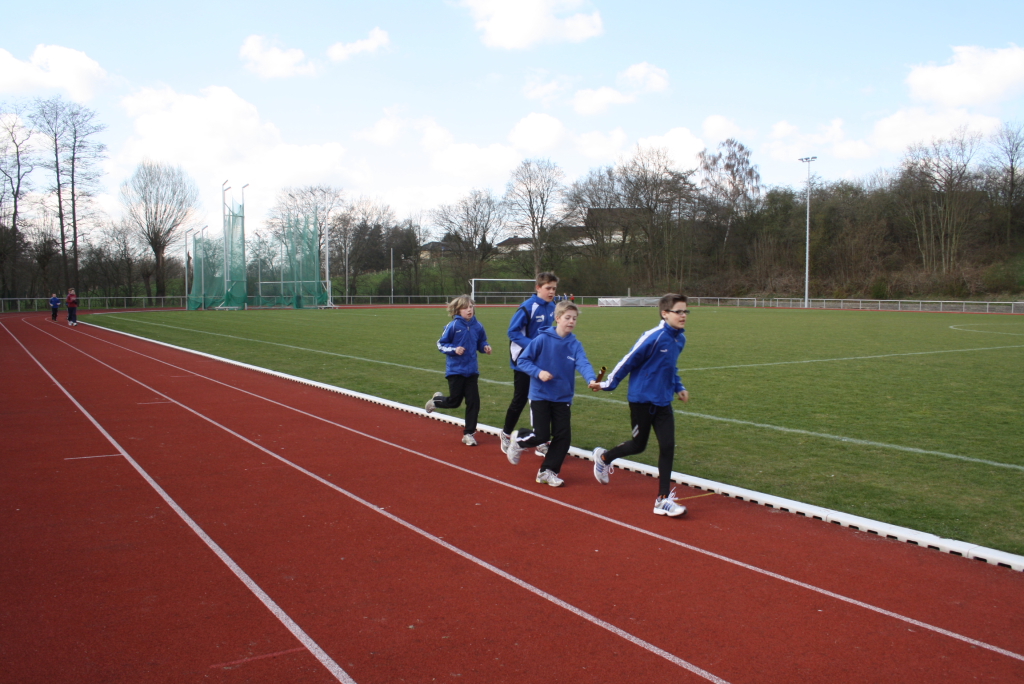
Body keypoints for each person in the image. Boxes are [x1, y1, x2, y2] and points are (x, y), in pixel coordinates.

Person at [591, 294, 691, 517]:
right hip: (641, 400)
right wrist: (607, 384)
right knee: (638, 445)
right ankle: (604, 458)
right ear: (665, 313)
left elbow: (670, 368)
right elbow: (628, 361)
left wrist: (679, 387)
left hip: (663, 402)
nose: (683, 315)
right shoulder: (653, 337)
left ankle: (662, 499)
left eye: (686, 311)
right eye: (678, 311)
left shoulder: (680, 340)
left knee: (668, 446)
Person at [506, 301, 601, 487]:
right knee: (541, 436)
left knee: (563, 437)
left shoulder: (575, 344)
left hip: (562, 397)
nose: (571, 321)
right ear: (557, 318)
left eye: (574, 318)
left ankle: (547, 471)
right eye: (567, 317)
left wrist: (591, 379)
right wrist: (539, 372)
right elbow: (523, 361)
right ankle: (519, 440)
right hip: (540, 395)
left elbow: (583, 363)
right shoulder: (542, 339)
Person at [500, 272, 558, 455]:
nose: (551, 292)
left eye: (554, 289)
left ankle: (540, 440)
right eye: (548, 288)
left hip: (542, 360)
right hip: (523, 360)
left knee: (542, 400)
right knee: (521, 398)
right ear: (538, 288)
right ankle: (506, 433)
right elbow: (513, 332)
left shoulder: (553, 307)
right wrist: (533, 346)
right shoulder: (527, 307)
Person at [425, 295, 492, 446]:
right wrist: (455, 349)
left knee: (474, 402)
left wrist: (485, 347)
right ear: (458, 310)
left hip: (472, 371)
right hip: (455, 370)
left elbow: (481, 341)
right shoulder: (453, 326)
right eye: (465, 308)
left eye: (471, 307)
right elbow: (441, 344)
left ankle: (468, 434)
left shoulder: (478, 326)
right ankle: (436, 401)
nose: (469, 310)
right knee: (455, 402)